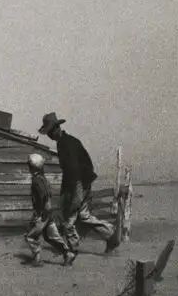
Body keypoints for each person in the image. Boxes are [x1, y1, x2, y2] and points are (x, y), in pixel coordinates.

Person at [37, 112, 119, 262]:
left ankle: (72, 250)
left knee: (69, 219)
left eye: (49, 132)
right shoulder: (63, 143)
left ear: (56, 128)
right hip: (79, 182)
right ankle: (110, 234)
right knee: (84, 216)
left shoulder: (68, 144)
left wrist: (76, 194)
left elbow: (74, 172)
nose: (49, 136)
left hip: (79, 184)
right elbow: (68, 173)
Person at [24, 153, 72, 265]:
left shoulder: (37, 181)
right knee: (51, 236)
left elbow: (45, 197)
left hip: (43, 213)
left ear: (31, 166)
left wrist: (43, 213)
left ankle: (37, 259)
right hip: (47, 213)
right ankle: (68, 253)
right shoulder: (43, 179)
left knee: (31, 236)